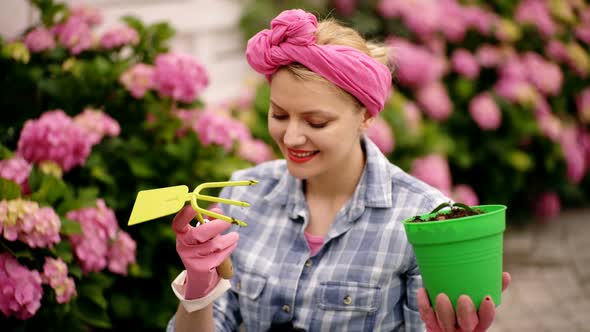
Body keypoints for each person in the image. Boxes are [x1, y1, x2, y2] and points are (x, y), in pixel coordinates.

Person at [167, 9, 510, 332]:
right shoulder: (242, 195)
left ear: (366, 115)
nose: (291, 136)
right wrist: (199, 287)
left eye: (317, 121)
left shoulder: (422, 217)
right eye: (279, 115)